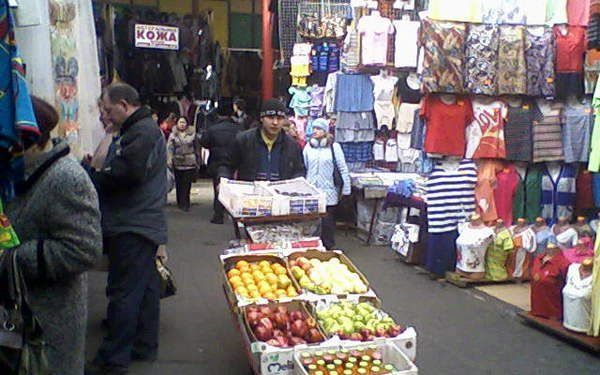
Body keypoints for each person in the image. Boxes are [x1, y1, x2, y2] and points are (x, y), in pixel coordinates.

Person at [3, 96, 102, 375]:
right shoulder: (18, 173)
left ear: (29, 141)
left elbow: (84, 249)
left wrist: (12, 259)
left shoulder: (65, 178)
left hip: (48, 323)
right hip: (16, 320)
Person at [86, 83, 168, 375]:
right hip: (140, 222)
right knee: (143, 289)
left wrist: (96, 180)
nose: (106, 116)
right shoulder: (137, 130)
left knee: (124, 293)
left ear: (124, 104)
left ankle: (113, 359)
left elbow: (127, 173)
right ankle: (143, 346)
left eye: (108, 110)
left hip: (133, 223)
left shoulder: (142, 131)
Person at [220, 98, 306, 182]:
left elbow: (299, 171)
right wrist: (223, 180)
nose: (275, 122)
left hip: (280, 194)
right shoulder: (244, 140)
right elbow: (226, 165)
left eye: (279, 118)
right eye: (271, 118)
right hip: (250, 193)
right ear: (261, 118)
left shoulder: (292, 145)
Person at [303, 118, 351, 249]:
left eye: (318, 128)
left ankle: (328, 247)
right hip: (311, 190)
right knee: (310, 221)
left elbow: (342, 168)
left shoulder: (334, 147)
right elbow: (305, 167)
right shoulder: (308, 147)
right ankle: (311, 247)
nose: (315, 131)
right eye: (313, 128)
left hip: (328, 191)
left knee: (327, 221)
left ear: (325, 131)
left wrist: (346, 189)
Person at [199, 113, 242, 223]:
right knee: (232, 187)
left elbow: (204, 142)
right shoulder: (238, 129)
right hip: (233, 161)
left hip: (216, 161)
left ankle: (218, 215)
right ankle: (231, 211)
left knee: (218, 187)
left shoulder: (212, 129)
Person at [167, 116, 199, 211]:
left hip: (189, 162)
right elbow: (170, 148)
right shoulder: (173, 135)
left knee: (187, 184)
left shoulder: (192, 134)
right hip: (177, 162)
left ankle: (186, 203)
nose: (182, 124)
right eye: (180, 122)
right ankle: (180, 202)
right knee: (179, 183)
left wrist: (198, 159)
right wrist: (169, 159)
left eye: (184, 122)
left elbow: (197, 147)